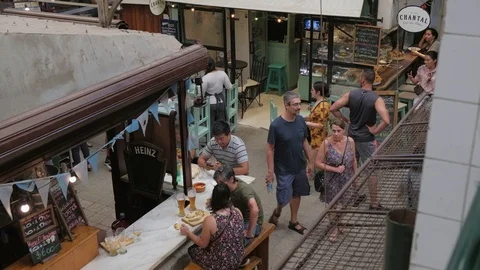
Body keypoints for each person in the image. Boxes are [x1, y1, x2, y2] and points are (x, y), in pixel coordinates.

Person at [329, 69, 390, 210]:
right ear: (373, 81)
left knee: (351, 166)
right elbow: (386, 120)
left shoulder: (351, 94)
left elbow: (333, 108)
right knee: (371, 170)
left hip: (351, 137)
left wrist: (344, 119)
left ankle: (355, 195)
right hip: (366, 138)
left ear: (362, 80)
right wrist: (375, 130)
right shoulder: (376, 99)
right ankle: (374, 203)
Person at [266, 91, 313, 235]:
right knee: (284, 196)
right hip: (283, 167)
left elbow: (304, 141)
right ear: (286, 106)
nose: (299, 107)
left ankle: (293, 221)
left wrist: (310, 162)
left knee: (297, 193)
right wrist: (270, 172)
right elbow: (269, 149)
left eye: (299, 104)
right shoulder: (276, 126)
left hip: (298, 164)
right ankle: (278, 210)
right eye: (295, 104)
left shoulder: (300, 121)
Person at [181, 182, 244, 270]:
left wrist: (188, 232)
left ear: (213, 198)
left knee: (192, 250)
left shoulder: (211, 220)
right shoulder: (237, 211)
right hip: (238, 258)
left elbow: (203, 244)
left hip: (222, 265)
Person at [315, 119, 356, 242]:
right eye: (333, 131)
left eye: (339, 131)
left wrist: (356, 175)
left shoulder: (350, 141)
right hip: (332, 179)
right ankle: (334, 227)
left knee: (346, 204)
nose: (336, 134)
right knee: (332, 205)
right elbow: (317, 163)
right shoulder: (326, 143)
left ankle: (339, 222)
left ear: (344, 130)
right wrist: (335, 169)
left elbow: (353, 159)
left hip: (347, 177)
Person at [213, 166, 264, 246]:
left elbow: (255, 210)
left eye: (222, 184)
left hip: (253, 221)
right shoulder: (229, 186)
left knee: (234, 244)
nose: (220, 187)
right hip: (239, 216)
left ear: (232, 179)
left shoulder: (244, 190)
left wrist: (249, 232)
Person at [201, 57, 233, 129]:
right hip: (220, 101)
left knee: (211, 125)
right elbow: (229, 86)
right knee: (221, 125)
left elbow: (201, 94)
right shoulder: (222, 73)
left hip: (210, 103)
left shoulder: (205, 78)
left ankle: (212, 138)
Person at [303, 81, 330, 160]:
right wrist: (301, 118)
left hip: (319, 138)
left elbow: (322, 125)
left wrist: (306, 123)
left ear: (318, 92)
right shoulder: (317, 102)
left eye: (312, 90)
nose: (311, 91)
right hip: (313, 135)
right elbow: (313, 117)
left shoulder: (323, 105)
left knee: (312, 161)